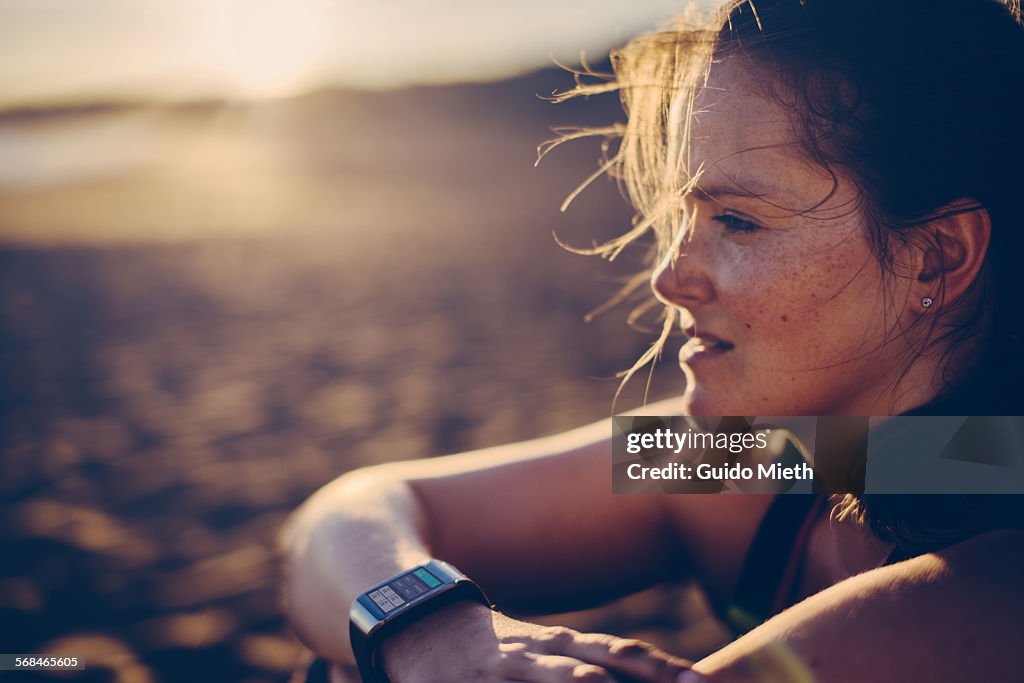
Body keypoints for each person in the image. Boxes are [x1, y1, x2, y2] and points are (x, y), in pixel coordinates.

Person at [281, 1, 1024, 681]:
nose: (672, 278)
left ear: (937, 255)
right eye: (685, 214)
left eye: (737, 220)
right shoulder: (800, 455)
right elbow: (351, 513)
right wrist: (426, 628)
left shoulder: (988, 592)